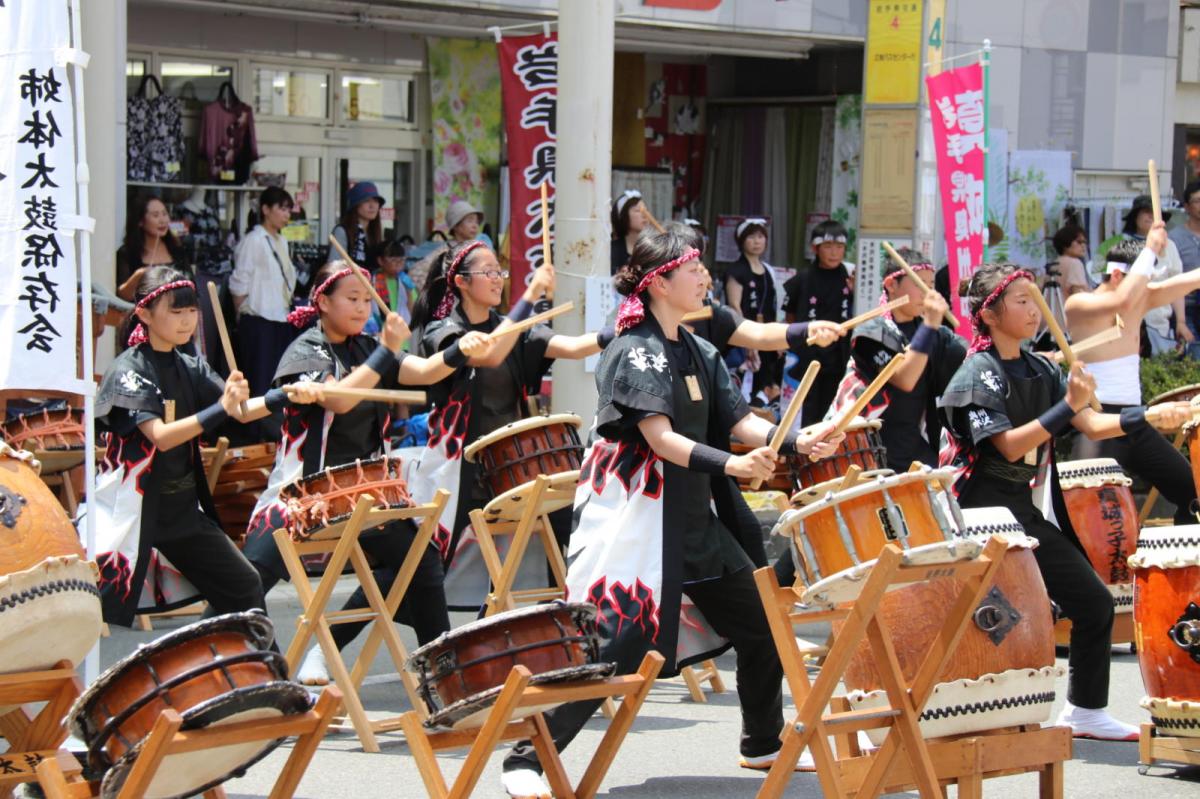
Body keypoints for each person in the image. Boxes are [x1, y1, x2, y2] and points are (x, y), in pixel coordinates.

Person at [499, 229, 844, 799]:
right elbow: (659, 439)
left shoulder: (699, 350)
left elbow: (740, 422)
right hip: (639, 525)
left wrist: (796, 441)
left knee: (763, 626)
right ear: (660, 282)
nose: (705, 277)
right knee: (616, 645)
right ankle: (526, 757)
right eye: (693, 269)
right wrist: (732, 465)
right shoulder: (633, 349)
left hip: (694, 524)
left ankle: (762, 741)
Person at [938, 259, 1190, 741]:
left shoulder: (1040, 368)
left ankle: (1085, 711)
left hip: (1019, 512)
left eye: (1036, 299)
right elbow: (1008, 446)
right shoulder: (976, 375)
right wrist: (1068, 404)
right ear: (989, 314)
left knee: (1093, 602)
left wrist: (1148, 417)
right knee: (980, 620)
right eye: (1022, 301)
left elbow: (1092, 423)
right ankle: (934, 710)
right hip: (975, 514)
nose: (1034, 310)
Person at [240, 261, 493, 681]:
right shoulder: (307, 350)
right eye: (352, 299)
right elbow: (340, 400)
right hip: (303, 495)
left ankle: (443, 671)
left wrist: (460, 350)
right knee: (246, 580)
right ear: (322, 302)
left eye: (365, 299)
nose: (362, 307)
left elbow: (424, 372)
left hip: (366, 493)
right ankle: (212, 663)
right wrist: (385, 349)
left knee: (420, 559)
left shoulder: (367, 348)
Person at [92, 266, 313, 627]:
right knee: (99, 608)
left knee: (244, 586)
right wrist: (221, 407)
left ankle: (255, 662)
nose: (187, 320)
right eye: (176, 311)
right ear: (144, 314)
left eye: (192, 310)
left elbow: (240, 411)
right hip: (134, 511)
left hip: (181, 511)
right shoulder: (128, 370)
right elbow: (161, 436)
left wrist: (286, 395)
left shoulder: (190, 366)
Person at [407, 240, 607, 612]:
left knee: (569, 527)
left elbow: (575, 347)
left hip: (511, 465)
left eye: (498, 271)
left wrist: (618, 330)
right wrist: (531, 294)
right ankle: (338, 636)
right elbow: (489, 354)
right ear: (461, 282)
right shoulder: (445, 330)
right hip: (459, 468)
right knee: (420, 564)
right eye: (487, 272)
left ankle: (560, 621)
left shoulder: (510, 327)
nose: (498, 278)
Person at [1065, 234, 1200, 523]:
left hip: (1135, 419)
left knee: (1193, 492)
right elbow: (1121, 300)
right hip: (1097, 418)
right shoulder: (1079, 303)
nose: (1146, 289)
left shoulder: (1141, 298)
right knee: (1089, 513)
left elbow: (1189, 280)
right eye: (1141, 280)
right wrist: (1150, 248)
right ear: (1117, 275)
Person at [831, 251, 966, 471]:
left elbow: (968, 357)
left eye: (931, 284)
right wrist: (930, 324)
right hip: (870, 449)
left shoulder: (936, 334)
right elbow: (905, 379)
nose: (928, 292)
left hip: (915, 447)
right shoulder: (870, 332)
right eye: (920, 284)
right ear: (891, 285)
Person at [229, 186, 298, 397]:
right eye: (282, 209)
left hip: (281, 316)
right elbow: (240, 280)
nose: (286, 215)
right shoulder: (254, 239)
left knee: (279, 379)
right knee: (259, 379)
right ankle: (256, 419)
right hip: (258, 317)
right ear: (266, 209)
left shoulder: (281, 240)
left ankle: (274, 417)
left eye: (289, 210)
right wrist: (242, 312)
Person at [783, 220, 855, 424]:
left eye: (839, 247)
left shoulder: (850, 278)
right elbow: (789, 317)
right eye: (828, 246)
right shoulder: (802, 279)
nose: (834, 252)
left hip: (840, 356)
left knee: (834, 412)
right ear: (815, 248)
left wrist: (855, 292)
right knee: (806, 412)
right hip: (807, 356)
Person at [1122, 194, 1191, 353]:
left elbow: (1177, 285)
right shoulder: (1120, 244)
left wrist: (1181, 321)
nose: (1150, 216)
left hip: (1159, 321)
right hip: (1128, 321)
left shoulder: (1169, 246)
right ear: (1135, 216)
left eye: (1154, 213)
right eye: (1146, 212)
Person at [724, 218, 783, 394]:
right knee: (743, 389)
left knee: (766, 388)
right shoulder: (735, 270)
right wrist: (748, 343)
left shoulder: (768, 270)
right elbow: (734, 306)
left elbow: (774, 306)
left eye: (760, 236)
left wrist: (779, 338)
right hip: (744, 338)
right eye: (751, 237)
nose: (757, 241)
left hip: (766, 335)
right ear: (741, 241)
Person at [116, 195, 189, 302]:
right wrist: (138, 275)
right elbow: (122, 296)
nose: (162, 220)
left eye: (164, 214)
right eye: (156, 215)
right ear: (140, 221)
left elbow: (191, 286)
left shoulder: (176, 250)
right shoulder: (127, 253)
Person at [1168, 179, 1200, 353]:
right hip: (1186, 306)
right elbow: (1171, 276)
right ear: (1187, 207)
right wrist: (1180, 321)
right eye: (1197, 201)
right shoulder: (1174, 237)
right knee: (1193, 355)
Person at [327, 181, 385, 268]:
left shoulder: (375, 232)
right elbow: (334, 268)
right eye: (366, 201)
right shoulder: (342, 231)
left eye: (376, 201)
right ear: (355, 205)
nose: (372, 206)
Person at [610, 189, 647, 275]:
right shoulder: (612, 251)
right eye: (638, 210)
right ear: (624, 216)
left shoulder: (650, 249)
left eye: (645, 210)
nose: (645, 215)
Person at [1049, 224, 1091, 298]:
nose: (1083, 245)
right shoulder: (1075, 263)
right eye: (1079, 242)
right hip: (1068, 305)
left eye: (1085, 242)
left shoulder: (1053, 264)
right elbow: (1079, 295)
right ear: (1066, 243)